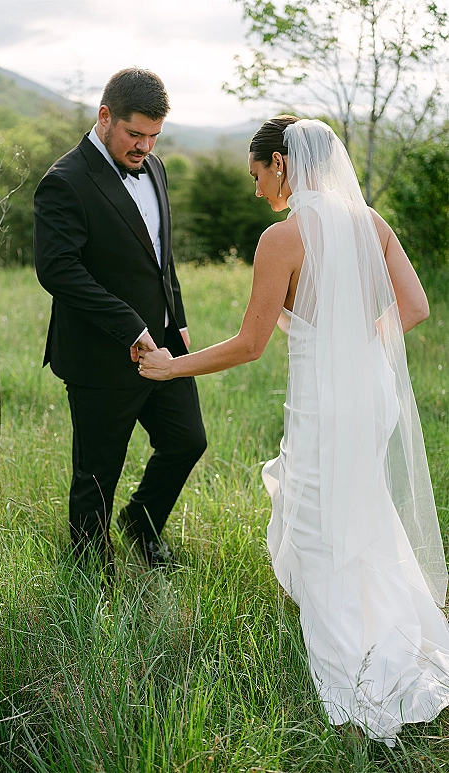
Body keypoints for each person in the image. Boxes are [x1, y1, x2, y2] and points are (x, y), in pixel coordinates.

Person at [139, 116, 449, 745]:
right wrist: (358, 345)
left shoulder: (282, 239)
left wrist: (173, 368)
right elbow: (414, 307)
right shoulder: (372, 225)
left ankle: (359, 676)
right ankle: (393, 627)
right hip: (371, 395)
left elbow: (250, 344)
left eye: (258, 175)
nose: (257, 190)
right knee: (358, 507)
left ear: (280, 163)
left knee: (317, 527)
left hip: (325, 404)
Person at [33, 68, 207, 579]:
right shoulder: (63, 181)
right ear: (104, 116)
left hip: (164, 344)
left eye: (154, 136)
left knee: (186, 441)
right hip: (98, 351)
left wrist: (177, 320)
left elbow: (160, 257)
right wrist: (132, 328)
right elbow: (58, 270)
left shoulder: (155, 169)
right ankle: (90, 576)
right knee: (97, 471)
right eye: (135, 134)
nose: (145, 147)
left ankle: (142, 523)